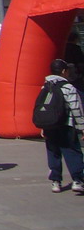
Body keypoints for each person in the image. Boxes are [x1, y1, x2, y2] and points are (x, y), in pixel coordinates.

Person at [40, 59, 84, 194]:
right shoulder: (68, 88)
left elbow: (43, 108)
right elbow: (76, 108)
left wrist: (43, 126)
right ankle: (77, 180)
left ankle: (55, 181)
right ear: (64, 71)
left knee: (53, 152)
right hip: (66, 125)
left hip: (50, 126)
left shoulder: (45, 87)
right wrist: (82, 126)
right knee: (72, 151)